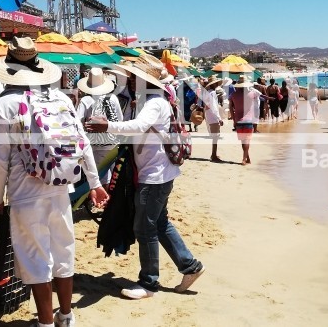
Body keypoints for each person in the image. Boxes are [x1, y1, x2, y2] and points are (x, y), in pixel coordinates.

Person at [0, 37, 109, 327]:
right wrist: (94, 183)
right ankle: (66, 315)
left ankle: (45, 323)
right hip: (60, 186)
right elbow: (82, 144)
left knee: (35, 258)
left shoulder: (3, 106)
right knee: (63, 251)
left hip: (23, 191)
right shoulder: (61, 99)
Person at [85, 57, 204, 300]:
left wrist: (107, 126)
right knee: (159, 223)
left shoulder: (155, 103)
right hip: (156, 173)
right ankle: (190, 266)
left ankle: (149, 283)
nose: (129, 80)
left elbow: (138, 127)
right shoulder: (147, 101)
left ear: (144, 81)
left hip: (155, 176)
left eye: (133, 77)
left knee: (145, 227)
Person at [76, 67, 124, 188]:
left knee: (100, 175)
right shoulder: (113, 98)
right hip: (113, 142)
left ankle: (103, 200)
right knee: (111, 172)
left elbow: (77, 122)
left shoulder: (86, 100)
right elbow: (120, 120)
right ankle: (111, 198)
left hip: (95, 144)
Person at [230, 75, 261, 165]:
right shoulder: (252, 94)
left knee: (243, 140)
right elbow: (260, 96)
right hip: (248, 120)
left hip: (238, 120)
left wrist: (233, 120)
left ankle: (247, 158)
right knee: (247, 140)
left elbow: (231, 109)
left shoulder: (233, 95)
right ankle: (244, 159)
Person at [199, 75, 225, 162]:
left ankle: (214, 154)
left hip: (209, 115)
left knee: (214, 136)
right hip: (213, 115)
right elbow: (214, 107)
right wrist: (219, 118)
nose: (217, 84)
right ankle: (213, 155)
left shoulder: (208, 92)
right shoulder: (212, 93)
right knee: (215, 136)